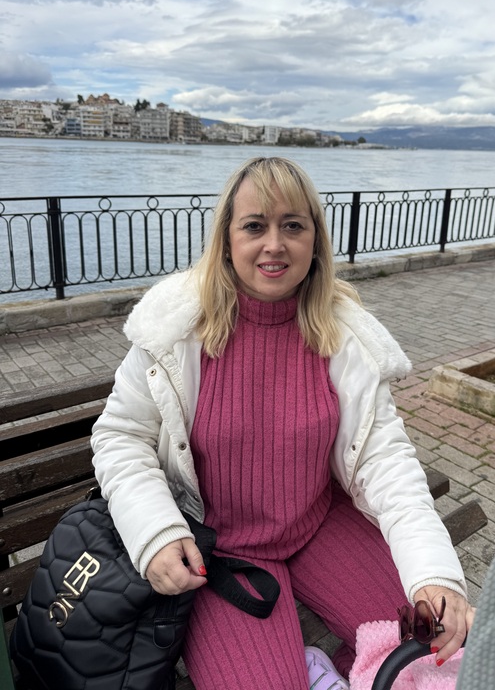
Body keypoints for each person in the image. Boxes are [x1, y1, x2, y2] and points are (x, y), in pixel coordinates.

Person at [91, 156, 474, 690]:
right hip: (219, 553)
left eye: (292, 225)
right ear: (226, 240)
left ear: (315, 241)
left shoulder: (344, 336)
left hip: (319, 526)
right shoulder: (174, 329)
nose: (274, 244)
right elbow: (120, 436)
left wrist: (435, 574)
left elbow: (387, 462)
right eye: (255, 226)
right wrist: (155, 533)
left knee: (436, 660)